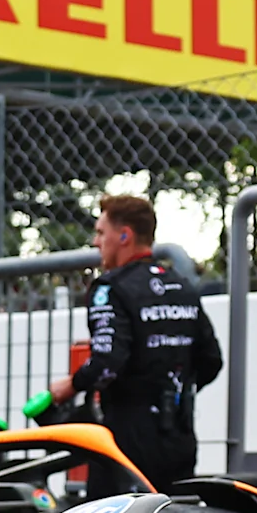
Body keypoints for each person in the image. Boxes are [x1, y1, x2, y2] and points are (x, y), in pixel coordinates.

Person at [52, 195, 220, 495]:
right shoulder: (182, 286)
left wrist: (70, 386)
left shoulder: (110, 288)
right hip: (178, 435)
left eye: (101, 232)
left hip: (125, 440)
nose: (95, 242)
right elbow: (211, 360)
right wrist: (174, 388)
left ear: (125, 235)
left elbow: (107, 362)